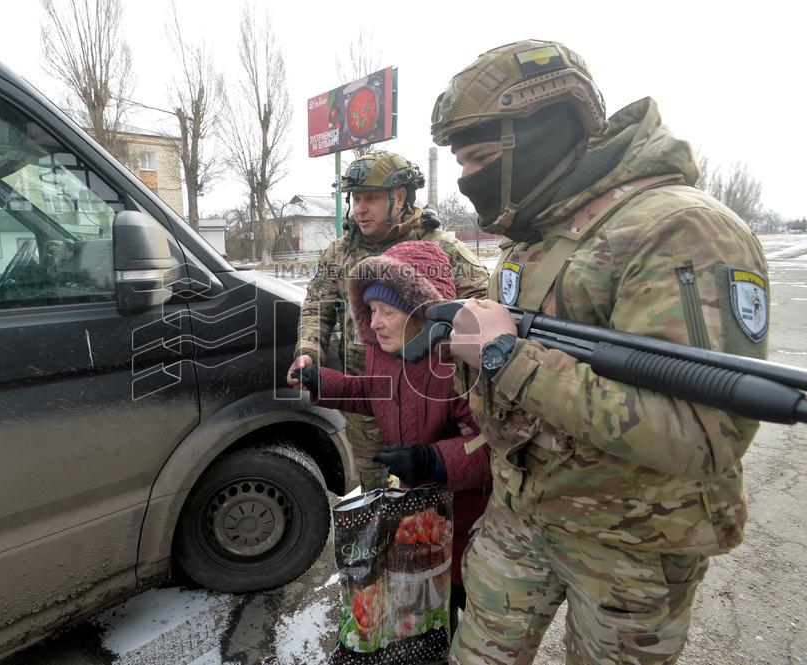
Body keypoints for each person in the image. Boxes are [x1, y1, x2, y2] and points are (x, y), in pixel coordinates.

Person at [430, 40, 770, 665]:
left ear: (540, 138)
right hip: (522, 514)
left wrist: (507, 357)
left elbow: (702, 433)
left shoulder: (680, 230)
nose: (466, 180)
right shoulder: (534, 237)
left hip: (630, 544)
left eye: (479, 159)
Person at [291, 240, 492, 631]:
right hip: (423, 520)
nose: (375, 321)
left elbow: (493, 447)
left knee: (471, 613)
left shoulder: (459, 368)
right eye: (371, 311)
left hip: (469, 526)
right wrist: (322, 382)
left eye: (387, 311)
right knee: (431, 614)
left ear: (424, 313)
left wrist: (432, 459)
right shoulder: (387, 353)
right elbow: (373, 392)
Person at [288, 150, 489, 491]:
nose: (359, 209)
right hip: (365, 395)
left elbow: (485, 308)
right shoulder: (340, 253)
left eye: (370, 199)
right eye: (354, 199)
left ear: (399, 197)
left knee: (429, 488)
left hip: (433, 402)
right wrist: (308, 351)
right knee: (374, 488)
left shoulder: (440, 249)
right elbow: (316, 305)